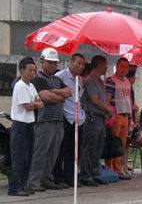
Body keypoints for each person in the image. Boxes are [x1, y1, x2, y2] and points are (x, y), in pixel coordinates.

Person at [28, 48, 72, 191]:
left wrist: (55, 92)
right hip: (44, 121)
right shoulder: (38, 79)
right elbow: (45, 97)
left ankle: (46, 179)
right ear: (42, 62)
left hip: (58, 120)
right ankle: (33, 181)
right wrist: (60, 97)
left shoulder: (57, 79)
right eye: (50, 62)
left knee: (53, 152)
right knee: (40, 152)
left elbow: (69, 92)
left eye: (55, 63)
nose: (53, 65)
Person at [8, 57, 43, 196]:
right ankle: (15, 187)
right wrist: (35, 103)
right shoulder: (20, 85)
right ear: (22, 70)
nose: (32, 73)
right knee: (19, 157)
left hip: (30, 124)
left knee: (28, 156)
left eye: (34, 70)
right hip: (20, 124)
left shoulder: (31, 86)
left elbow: (41, 103)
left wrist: (34, 103)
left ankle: (23, 185)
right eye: (30, 70)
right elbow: (28, 106)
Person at [52, 53, 86, 187]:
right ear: (71, 62)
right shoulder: (60, 76)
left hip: (78, 118)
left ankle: (69, 177)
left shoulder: (81, 80)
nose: (80, 66)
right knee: (61, 149)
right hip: (66, 117)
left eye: (83, 64)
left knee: (74, 150)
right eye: (78, 63)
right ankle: (57, 177)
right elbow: (53, 91)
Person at [79, 55, 113, 186]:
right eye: (105, 64)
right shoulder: (90, 80)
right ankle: (86, 175)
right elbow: (95, 100)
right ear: (98, 65)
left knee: (98, 147)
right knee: (90, 147)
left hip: (100, 117)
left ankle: (95, 172)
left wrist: (106, 110)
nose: (106, 67)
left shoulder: (99, 81)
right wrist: (108, 109)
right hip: (92, 117)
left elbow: (102, 99)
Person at [105, 57, 132, 180]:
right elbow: (107, 99)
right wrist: (110, 114)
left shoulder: (127, 81)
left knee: (122, 144)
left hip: (125, 115)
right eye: (122, 66)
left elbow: (129, 99)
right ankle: (110, 168)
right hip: (115, 115)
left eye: (126, 67)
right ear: (117, 66)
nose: (124, 69)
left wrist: (131, 117)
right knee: (113, 143)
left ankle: (118, 168)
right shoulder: (110, 80)